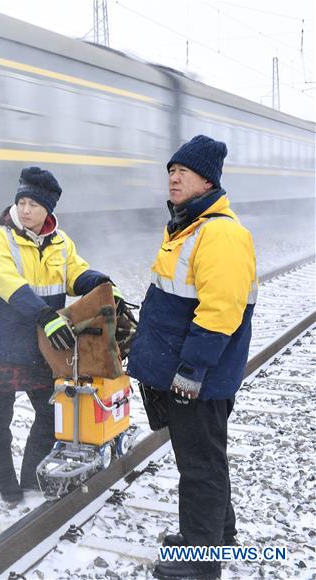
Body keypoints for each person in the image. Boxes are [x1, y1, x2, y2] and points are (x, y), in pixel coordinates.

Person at [128, 135, 257, 580]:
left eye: (184, 171)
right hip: (190, 372)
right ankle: (216, 535)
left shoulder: (220, 233)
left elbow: (220, 312)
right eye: (171, 170)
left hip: (198, 377)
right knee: (205, 458)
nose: (174, 177)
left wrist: (191, 370)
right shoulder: (189, 227)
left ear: (209, 179)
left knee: (198, 466)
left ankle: (201, 563)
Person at [0, 166, 121, 503]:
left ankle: (29, 479)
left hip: (38, 347)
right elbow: (8, 281)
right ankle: (8, 490)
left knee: (51, 413)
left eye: (33, 205)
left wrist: (100, 283)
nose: (25, 210)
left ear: (48, 210)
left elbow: (75, 273)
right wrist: (45, 315)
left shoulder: (60, 242)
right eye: (21, 202)